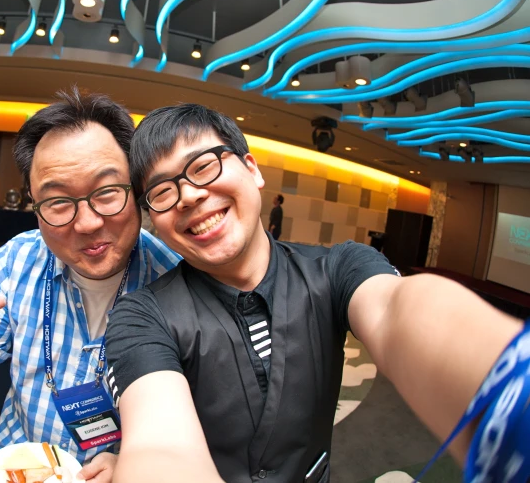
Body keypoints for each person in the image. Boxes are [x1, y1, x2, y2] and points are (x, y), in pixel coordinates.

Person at [104, 104, 524, 483]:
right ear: (152, 220)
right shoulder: (141, 316)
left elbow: (399, 311)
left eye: (203, 167)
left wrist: (509, 384)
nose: (190, 195)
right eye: (162, 192)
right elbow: (159, 444)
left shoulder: (340, 267)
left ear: (252, 169)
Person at [0, 89, 180, 480]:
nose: (86, 223)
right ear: (34, 205)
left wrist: (139, 465)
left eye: (107, 191)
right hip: (22, 468)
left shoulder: (175, 280)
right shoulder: (17, 260)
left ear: (137, 190)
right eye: (58, 202)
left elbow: (204, 429)